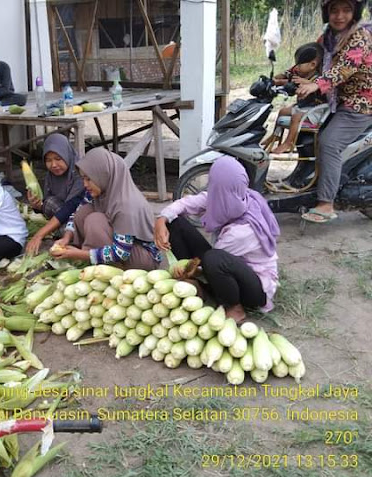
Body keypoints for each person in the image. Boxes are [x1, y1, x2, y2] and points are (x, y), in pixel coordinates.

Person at [154, 156, 280, 323]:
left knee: (214, 259)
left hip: (255, 288)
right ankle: (197, 285)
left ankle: (234, 307)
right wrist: (161, 220)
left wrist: (189, 268)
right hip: (228, 262)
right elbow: (184, 204)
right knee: (175, 222)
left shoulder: (242, 231)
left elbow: (211, 263)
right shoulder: (226, 196)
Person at [296, 0, 372, 223]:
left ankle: (326, 203)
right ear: (326, 13)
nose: (340, 16)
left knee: (329, 143)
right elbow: (312, 59)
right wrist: (285, 76)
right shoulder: (328, 36)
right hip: (336, 102)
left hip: (359, 105)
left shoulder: (361, 36)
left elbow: (346, 67)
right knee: (305, 128)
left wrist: (317, 84)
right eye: (334, 10)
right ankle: (306, 183)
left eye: (346, 10)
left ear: (355, 12)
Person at [50, 148, 162, 270]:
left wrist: (79, 255)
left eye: (89, 179)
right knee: (83, 212)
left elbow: (121, 253)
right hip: (122, 248)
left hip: (142, 259)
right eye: (83, 178)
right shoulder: (100, 191)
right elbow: (77, 212)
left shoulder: (126, 205)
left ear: (104, 175)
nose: (85, 184)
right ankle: (96, 259)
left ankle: (112, 267)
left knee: (95, 221)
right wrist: (66, 238)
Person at [25, 133, 85, 254]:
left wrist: (39, 235)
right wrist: (37, 207)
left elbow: (70, 208)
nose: (53, 165)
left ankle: (74, 239)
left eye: (58, 159)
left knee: (67, 230)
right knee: (49, 202)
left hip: (80, 217)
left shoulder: (80, 173)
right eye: (48, 160)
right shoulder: (51, 176)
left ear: (67, 155)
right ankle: (64, 234)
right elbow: (48, 206)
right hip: (64, 217)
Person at [271, 43, 326, 154]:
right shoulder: (301, 73)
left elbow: (321, 89)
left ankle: (289, 143)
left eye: (299, 64)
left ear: (313, 64)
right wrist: (277, 79)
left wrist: (309, 83)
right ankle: (275, 136)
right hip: (303, 107)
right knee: (282, 111)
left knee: (296, 117)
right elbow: (289, 77)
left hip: (316, 110)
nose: (296, 67)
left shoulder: (317, 78)